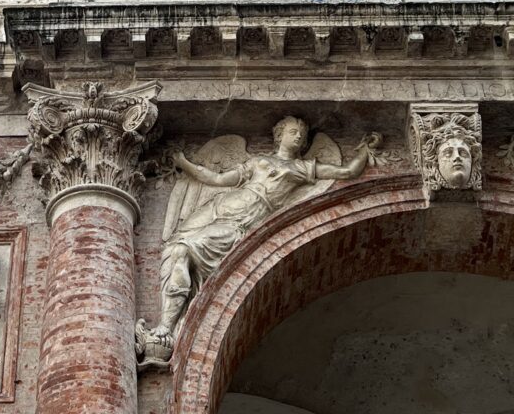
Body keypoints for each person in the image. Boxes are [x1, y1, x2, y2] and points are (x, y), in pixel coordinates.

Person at [153, 116, 367, 338]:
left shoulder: (302, 167)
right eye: (293, 131)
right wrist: (183, 163)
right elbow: (217, 179)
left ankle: (168, 328)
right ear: (279, 135)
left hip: (243, 222)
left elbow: (347, 172)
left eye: (302, 135)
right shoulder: (257, 162)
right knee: (176, 248)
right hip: (220, 209)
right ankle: (167, 325)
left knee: (184, 249)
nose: (299, 136)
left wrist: (364, 150)